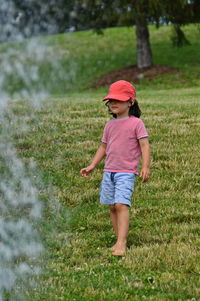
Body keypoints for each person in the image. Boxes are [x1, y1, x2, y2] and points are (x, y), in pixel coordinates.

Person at [80, 80, 150, 256]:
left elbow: (145, 146)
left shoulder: (136, 124)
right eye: (111, 100)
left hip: (126, 172)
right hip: (109, 172)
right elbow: (103, 147)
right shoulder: (109, 125)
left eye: (118, 100)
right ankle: (118, 239)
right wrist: (92, 165)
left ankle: (122, 243)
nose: (113, 103)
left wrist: (145, 166)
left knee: (121, 204)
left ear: (130, 102)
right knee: (112, 206)